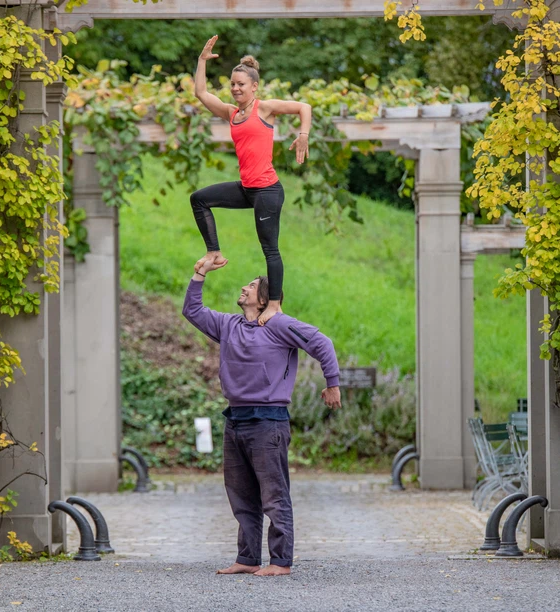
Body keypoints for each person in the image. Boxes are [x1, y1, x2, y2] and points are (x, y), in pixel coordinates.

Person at [181, 256, 341, 577]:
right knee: (241, 495)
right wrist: (200, 274)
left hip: (269, 421)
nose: (244, 287)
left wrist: (332, 384)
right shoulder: (229, 326)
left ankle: (280, 562)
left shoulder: (280, 324)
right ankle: (248, 558)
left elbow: (322, 343)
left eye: (251, 286)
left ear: (265, 298)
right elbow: (193, 311)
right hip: (235, 419)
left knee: (273, 494)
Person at [190, 35, 313, 325]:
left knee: (269, 248)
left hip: (268, 191)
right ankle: (214, 251)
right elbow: (201, 94)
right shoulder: (231, 114)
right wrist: (201, 61)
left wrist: (303, 135)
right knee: (199, 199)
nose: (234, 88)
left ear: (254, 87)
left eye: (240, 84)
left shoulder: (265, 108)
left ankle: (273, 305)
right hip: (247, 189)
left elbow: (303, 107)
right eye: (232, 84)